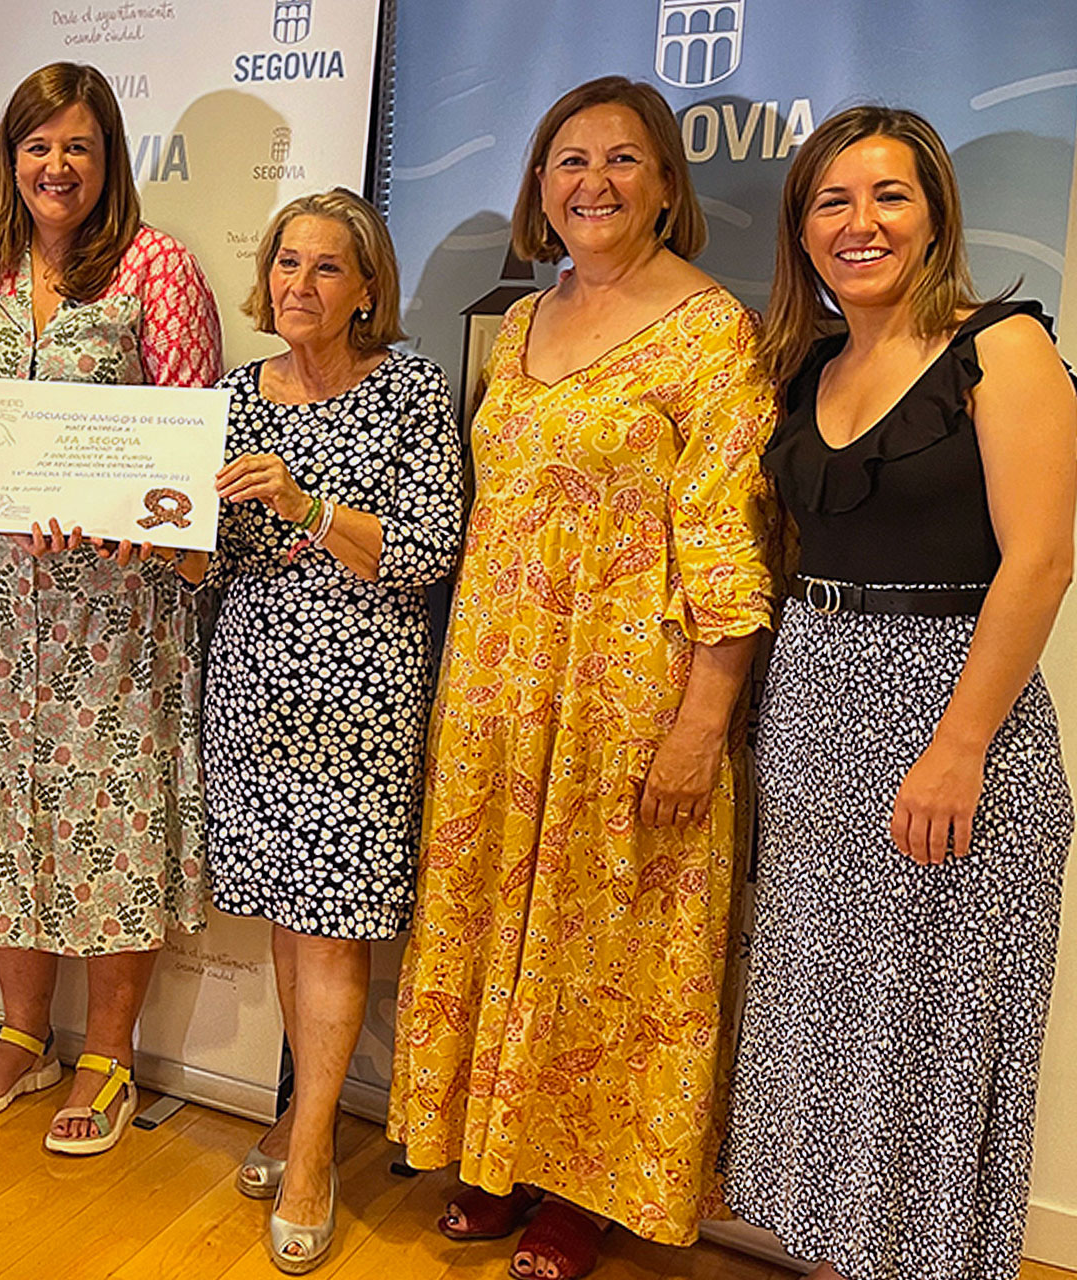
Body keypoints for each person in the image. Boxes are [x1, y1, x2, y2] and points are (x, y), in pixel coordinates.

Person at [386, 76, 778, 1278]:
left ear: (667, 181)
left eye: (621, 160)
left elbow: (729, 539)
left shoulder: (711, 330)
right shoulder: (524, 323)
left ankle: (585, 1188)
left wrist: (701, 719)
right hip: (499, 683)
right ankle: (497, 1154)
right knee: (500, 916)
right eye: (568, 161)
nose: (592, 183)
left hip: (629, 690)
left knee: (608, 940)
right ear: (538, 186)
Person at [721, 106, 1077, 1280]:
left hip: (948, 722)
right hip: (816, 713)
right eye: (831, 201)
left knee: (924, 1040)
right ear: (802, 228)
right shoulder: (810, 365)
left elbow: (1040, 561)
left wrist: (960, 742)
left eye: (888, 196)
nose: (860, 223)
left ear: (934, 217)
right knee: (828, 1035)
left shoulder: (1004, 344)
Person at [0, 61, 221, 1156]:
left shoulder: (158, 267)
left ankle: (109, 1052)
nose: (57, 165)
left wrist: (131, 512)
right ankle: (21, 1030)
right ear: (10, 154)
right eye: (39, 144)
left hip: (114, 610)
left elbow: (188, 436)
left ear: (108, 156)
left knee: (109, 815)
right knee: (5, 814)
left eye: (78, 145)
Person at [185, 187, 462, 1272]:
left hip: (363, 690)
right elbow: (207, 555)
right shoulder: (230, 394)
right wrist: (141, 541)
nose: (300, 285)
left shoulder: (409, 387)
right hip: (253, 684)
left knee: (336, 926)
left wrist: (306, 505)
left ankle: (309, 1153)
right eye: (287, 264)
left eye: (326, 268)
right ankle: (300, 1117)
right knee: (289, 925)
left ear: (366, 288)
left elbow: (430, 547)